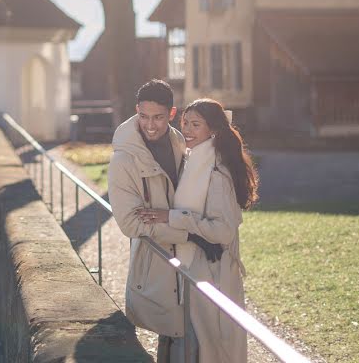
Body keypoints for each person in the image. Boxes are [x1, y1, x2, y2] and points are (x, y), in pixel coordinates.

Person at [108, 80, 223, 362]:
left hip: (192, 257)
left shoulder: (181, 142)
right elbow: (130, 224)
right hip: (158, 259)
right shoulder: (122, 161)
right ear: (136, 111)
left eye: (158, 117)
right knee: (172, 334)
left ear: (172, 114)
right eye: (144, 116)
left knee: (197, 333)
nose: (150, 125)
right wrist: (190, 234)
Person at [137, 98, 259, 363]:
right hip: (191, 264)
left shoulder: (217, 172)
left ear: (213, 130)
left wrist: (173, 217)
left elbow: (223, 231)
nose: (188, 130)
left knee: (209, 344)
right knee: (191, 341)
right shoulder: (192, 160)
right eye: (185, 123)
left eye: (196, 124)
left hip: (213, 270)